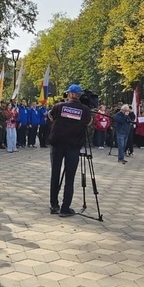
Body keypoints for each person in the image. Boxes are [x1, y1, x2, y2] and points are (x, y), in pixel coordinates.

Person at [47, 84, 92, 217]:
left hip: (57, 145)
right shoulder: (85, 109)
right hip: (73, 147)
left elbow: (50, 117)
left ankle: (54, 205)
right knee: (70, 178)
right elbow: (89, 123)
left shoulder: (59, 106)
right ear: (79, 95)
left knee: (55, 174)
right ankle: (65, 208)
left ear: (70, 94)